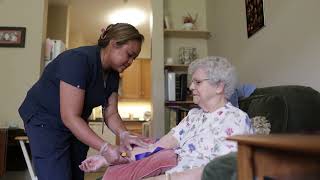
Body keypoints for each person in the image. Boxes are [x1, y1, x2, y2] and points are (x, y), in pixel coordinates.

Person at [79, 56, 254, 180]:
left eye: (198, 82)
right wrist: (105, 158)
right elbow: (155, 147)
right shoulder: (194, 116)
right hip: (171, 172)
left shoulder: (235, 119)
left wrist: (165, 178)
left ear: (219, 87)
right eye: (192, 82)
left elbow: (221, 171)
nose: (191, 87)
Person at [18, 23, 149, 180]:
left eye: (134, 58)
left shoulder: (113, 75)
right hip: (45, 120)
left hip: (74, 122)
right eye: (129, 54)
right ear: (113, 44)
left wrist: (124, 134)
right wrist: (105, 147)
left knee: (76, 173)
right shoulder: (78, 60)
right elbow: (70, 116)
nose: (130, 61)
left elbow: (111, 112)